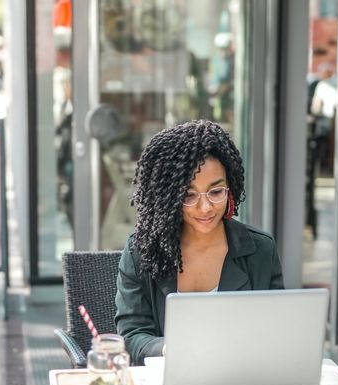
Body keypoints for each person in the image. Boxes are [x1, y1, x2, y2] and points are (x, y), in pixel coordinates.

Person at [114, 120, 285, 365]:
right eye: (188, 195)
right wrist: (167, 348)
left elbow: (276, 332)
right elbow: (131, 336)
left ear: (231, 188)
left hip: (243, 380)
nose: (205, 208)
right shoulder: (141, 251)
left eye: (216, 192)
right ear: (168, 197)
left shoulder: (260, 250)